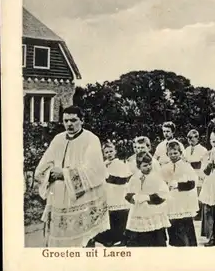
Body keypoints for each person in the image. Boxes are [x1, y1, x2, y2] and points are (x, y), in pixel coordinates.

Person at [34, 106, 110, 247]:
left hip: (81, 197)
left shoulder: (91, 139)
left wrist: (64, 173)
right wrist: (49, 173)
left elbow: (94, 170)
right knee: (58, 238)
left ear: (82, 120)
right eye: (66, 120)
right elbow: (43, 166)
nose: (69, 124)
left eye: (74, 120)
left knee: (82, 240)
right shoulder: (58, 139)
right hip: (58, 195)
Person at [125, 152, 170, 247]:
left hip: (152, 210)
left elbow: (163, 193)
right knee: (138, 238)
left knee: (155, 236)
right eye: (145, 165)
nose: (148, 167)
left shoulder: (156, 177)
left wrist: (148, 197)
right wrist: (133, 197)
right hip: (138, 210)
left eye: (150, 164)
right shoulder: (134, 178)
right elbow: (128, 192)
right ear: (138, 166)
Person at [91, 141, 132, 247]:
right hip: (108, 194)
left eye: (111, 151)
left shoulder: (119, 163)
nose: (109, 154)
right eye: (106, 152)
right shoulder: (103, 164)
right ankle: (110, 238)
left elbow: (123, 179)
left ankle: (120, 237)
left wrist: (106, 177)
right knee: (110, 217)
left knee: (119, 215)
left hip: (118, 193)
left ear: (115, 152)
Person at [161, 141, 199, 247]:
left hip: (184, 201)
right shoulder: (165, 168)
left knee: (186, 224)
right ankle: (176, 246)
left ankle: (190, 246)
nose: (173, 156)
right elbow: (161, 181)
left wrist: (178, 184)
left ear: (180, 153)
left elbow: (192, 183)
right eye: (170, 153)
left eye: (175, 153)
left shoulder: (186, 166)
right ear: (167, 154)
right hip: (172, 202)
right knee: (173, 225)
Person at [183, 129, 208, 220]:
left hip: (198, 173)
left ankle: (200, 214)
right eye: (188, 138)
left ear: (197, 138)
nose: (190, 140)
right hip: (189, 173)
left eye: (192, 138)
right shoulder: (186, 149)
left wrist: (191, 163)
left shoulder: (203, 150)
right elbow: (184, 161)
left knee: (199, 193)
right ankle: (193, 212)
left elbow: (204, 163)